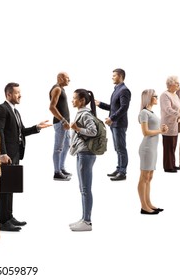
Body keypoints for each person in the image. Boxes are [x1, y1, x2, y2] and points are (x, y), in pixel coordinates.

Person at [0, 83, 51, 232]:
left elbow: (22, 132)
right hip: (6, 155)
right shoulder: (1, 108)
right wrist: (2, 153)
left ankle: (9, 216)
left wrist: (37, 127)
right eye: (17, 93)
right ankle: (3, 221)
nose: (20, 95)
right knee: (4, 189)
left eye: (20, 92)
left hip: (15, 154)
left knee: (11, 187)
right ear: (8, 94)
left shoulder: (16, 112)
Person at [68, 89, 98, 231]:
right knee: (83, 188)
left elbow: (93, 132)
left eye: (74, 98)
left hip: (86, 154)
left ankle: (87, 221)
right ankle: (84, 219)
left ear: (82, 101)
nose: (72, 100)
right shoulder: (82, 112)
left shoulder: (85, 114)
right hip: (83, 153)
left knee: (85, 189)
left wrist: (77, 128)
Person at [95, 68, 131, 181]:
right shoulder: (117, 89)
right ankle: (119, 168)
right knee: (117, 148)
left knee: (121, 148)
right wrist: (100, 104)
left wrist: (112, 118)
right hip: (114, 124)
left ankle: (122, 172)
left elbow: (124, 107)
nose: (112, 77)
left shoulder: (124, 90)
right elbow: (113, 107)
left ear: (120, 76)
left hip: (119, 124)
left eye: (114, 75)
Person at [137, 89, 168, 214]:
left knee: (149, 177)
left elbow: (154, 128)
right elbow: (145, 132)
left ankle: (148, 203)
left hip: (153, 148)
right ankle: (144, 206)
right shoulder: (144, 112)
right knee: (144, 177)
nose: (156, 98)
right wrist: (160, 131)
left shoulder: (152, 112)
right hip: (147, 148)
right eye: (155, 96)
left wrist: (162, 129)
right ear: (149, 97)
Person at [49, 72, 72, 181]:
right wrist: (63, 121)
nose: (69, 80)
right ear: (60, 78)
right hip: (60, 123)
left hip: (65, 124)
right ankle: (57, 172)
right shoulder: (57, 89)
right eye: (67, 78)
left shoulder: (62, 89)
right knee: (58, 148)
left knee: (67, 145)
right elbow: (52, 107)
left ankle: (61, 168)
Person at [160, 75, 180, 173]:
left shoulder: (175, 94)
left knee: (173, 145)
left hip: (175, 123)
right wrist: (178, 113)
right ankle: (168, 167)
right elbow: (168, 109)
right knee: (168, 145)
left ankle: (172, 164)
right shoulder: (165, 95)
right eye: (176, 82)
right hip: (167, 124)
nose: (178, 84)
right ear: (170, 84)